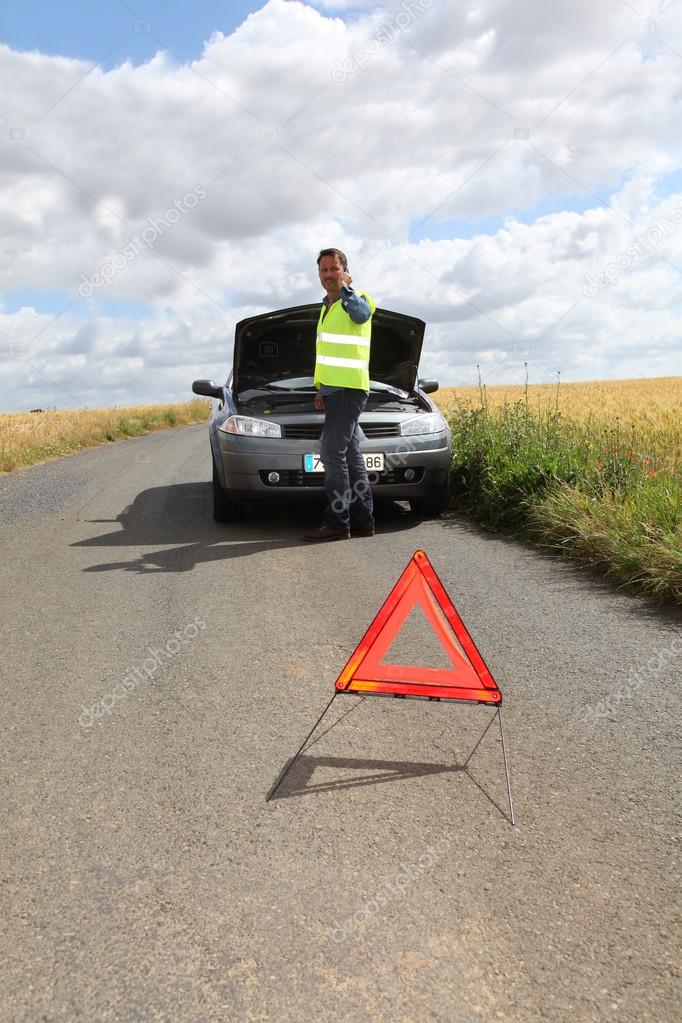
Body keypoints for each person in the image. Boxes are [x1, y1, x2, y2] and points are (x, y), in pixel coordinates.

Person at [303, 248, 376, 542]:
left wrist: (347, 289)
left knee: (331, 453)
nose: (329, 275)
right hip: (334, 391)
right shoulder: (325, 308)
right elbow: (325, 354)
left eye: (334, 269)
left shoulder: (358, 300)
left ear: (345, 271)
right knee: (352, 455)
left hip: (350, 389)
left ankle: (337, 523)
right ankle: (362, 522)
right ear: (318, 275)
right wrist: (320, 388)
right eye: (324, 271)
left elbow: (360, 316)